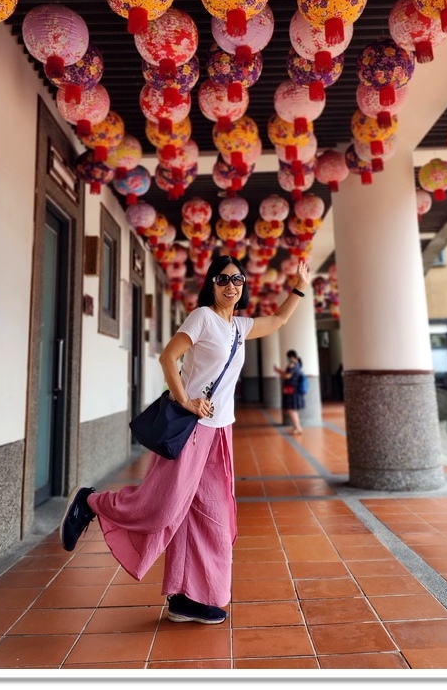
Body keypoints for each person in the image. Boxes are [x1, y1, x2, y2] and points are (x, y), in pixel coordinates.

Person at [60, 254, 310, 626]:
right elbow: (168, 357)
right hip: (192, 431)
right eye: (223, 279)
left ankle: (189, 597)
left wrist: (299, 287)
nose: (230, 286)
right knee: (162, 507)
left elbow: (279, 320)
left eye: (237, 280)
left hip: (220, 433)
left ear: (244, 286)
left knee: (212, 519)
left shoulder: (239, 326)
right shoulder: (203, 318)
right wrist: (186, 401)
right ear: (211, 284)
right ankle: (92, 502)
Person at [274, 349, 306, 435]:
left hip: (292, 390)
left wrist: (280, 372)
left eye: (288, 357)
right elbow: (286, 374)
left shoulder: (293, 366)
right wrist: (279, 371)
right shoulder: (297, 365)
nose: (287, 359)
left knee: (291, 409)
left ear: (292, 357)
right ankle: (296, 426)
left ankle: (298, 428)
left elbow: (287, 376)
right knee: (293, 409)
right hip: (293, 390)